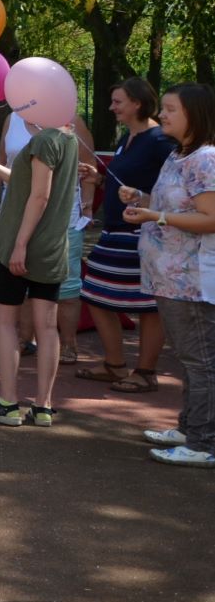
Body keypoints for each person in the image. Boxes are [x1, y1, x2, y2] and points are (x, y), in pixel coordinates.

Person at [0, 118, 79, 427]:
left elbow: (39, 196)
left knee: (5, 322)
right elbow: (27, 182)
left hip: (23, 243)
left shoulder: (43, 141)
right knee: (47, 327)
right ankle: (43, 406)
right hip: (53, 246)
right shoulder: (67, 137)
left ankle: (8, 403)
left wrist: (21, 243)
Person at [121, 83, 215, 467]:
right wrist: (141, 201)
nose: (164, 115)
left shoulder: (205, 159)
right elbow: (171, 205)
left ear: (195, 113)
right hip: (169, 277)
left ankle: (203, 442)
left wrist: (154, 214)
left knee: (200, 360)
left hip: (191, 279)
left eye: (171, 109)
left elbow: (210, 219)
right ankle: (190, 427)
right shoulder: (178, 155)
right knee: (191, 358)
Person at [79, 78, 176, 391]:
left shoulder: (160, 140)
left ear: (137, 103)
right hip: (115, 232)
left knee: (149, 303)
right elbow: (124, 183)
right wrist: (100, 178)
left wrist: (145, 201)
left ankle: (145, 372)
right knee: (94, 292)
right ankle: (116, 364)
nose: (112, 107)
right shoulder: (127, 137)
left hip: (145, 233)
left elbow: (175, 189)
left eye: (118, 101)